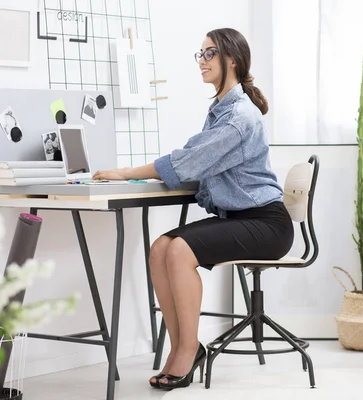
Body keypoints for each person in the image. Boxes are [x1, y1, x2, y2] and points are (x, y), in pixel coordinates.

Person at [93, 27, 294, 391]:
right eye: (199, 54)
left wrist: (123, 172)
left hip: (266, 223)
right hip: (240, 218)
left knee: (180, 249)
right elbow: (193, 161)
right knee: (159, 249)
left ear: (231, 59)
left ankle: (188, 349)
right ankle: (180, 347)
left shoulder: (238, 118)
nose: (201, 61)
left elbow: (185, 162)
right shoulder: (221, 109)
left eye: (209, 53)